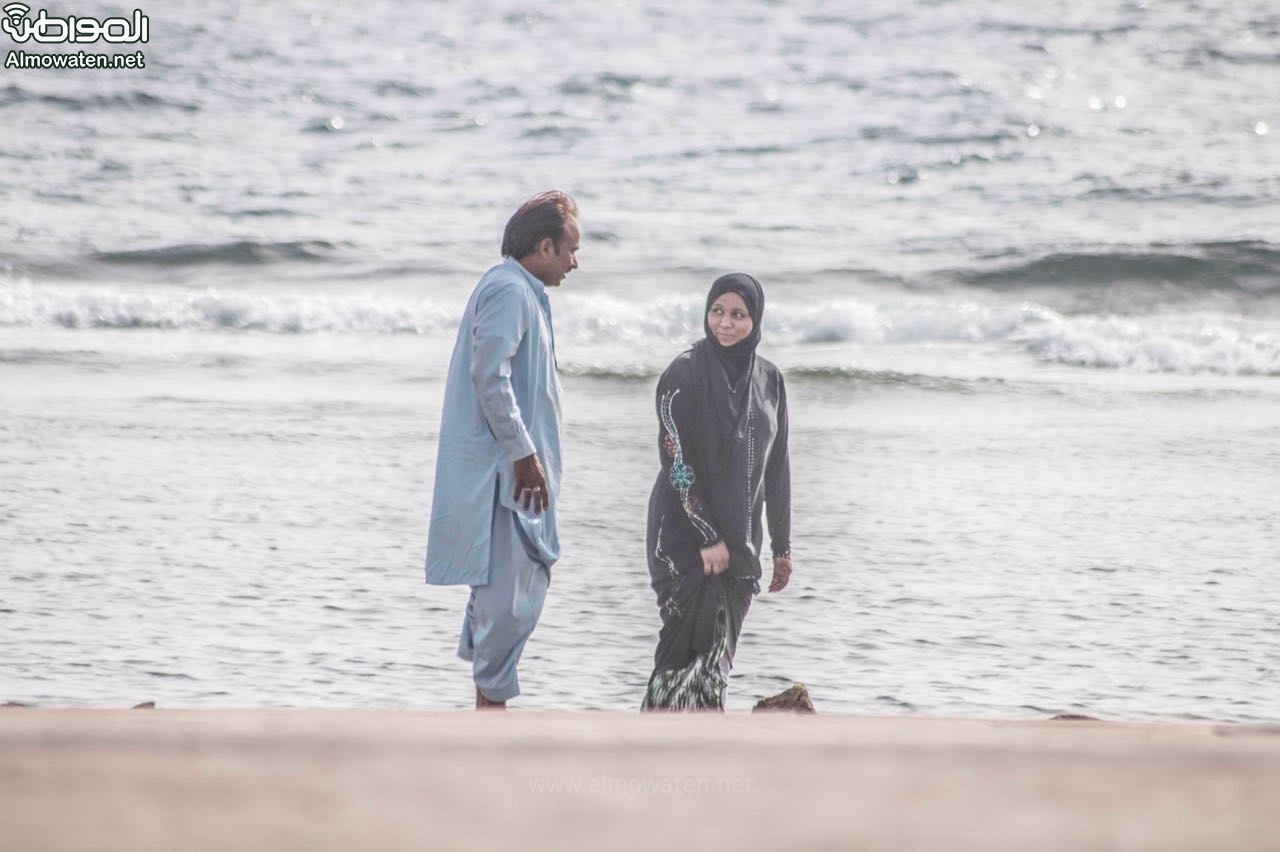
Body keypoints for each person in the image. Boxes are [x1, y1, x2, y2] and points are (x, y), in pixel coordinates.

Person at [425, 191, 580, 710]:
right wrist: (523, 454)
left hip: (517, 472)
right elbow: (490, 376)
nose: (574, 262)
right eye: (570, 250)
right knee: (508, 600)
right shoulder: (509, 290)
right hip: (504, 475)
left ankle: (487, 712)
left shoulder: (523, 291)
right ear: (544, 246)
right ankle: (489, 715)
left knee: (509, 594)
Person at [641, 273, 793, 711]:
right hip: (682, 539)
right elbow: (676, 461)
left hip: (741, 543)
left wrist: (782, 547)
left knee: (716, 665)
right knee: (681, 657)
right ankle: (653, 736)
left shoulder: (770, 380)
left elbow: (777, 467)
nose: (725, 323)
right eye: (717, 312)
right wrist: (707, 536)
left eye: (738, 315)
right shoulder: (682, 375)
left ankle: (699, 741)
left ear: (756, 319)